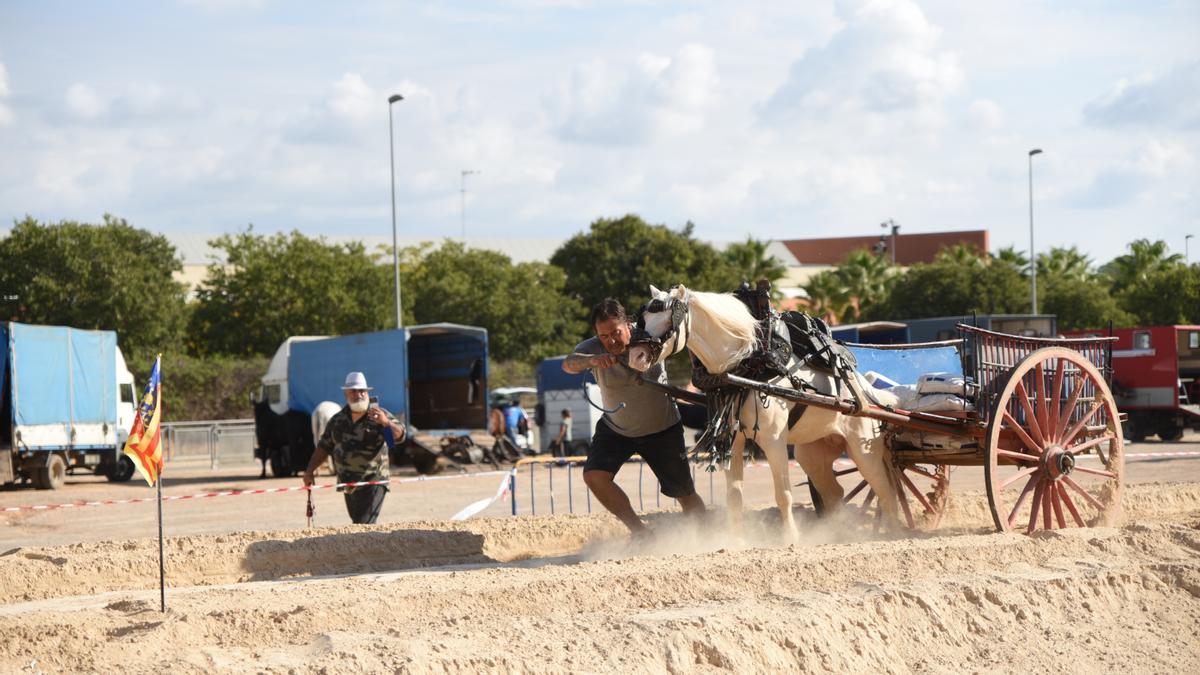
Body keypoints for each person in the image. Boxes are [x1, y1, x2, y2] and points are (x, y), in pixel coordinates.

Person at [563, 298, 705, 535]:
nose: (611, 340)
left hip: (662, 429)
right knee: (594, 477)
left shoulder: (651, 337)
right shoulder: (593, 347)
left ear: (628, 324)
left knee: (684, 493)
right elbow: (568, 364)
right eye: (604, 336)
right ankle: (640, 532)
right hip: (616, 428)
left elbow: (684, 337)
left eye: (616, 333)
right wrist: (592, 360)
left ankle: (711, 535)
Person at [303, 372, 407, 524]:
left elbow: (400, 436)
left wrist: (386, 423)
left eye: (362, 391)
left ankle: (370, 548)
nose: (358, 394)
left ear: (367, 392)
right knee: (359, 525)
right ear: (346, 393)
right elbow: (324, 447)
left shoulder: (379, 415)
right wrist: (309, 471)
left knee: (363, 524)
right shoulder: (337, 420)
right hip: (348, 484)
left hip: (373, 482)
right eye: (353, 391)